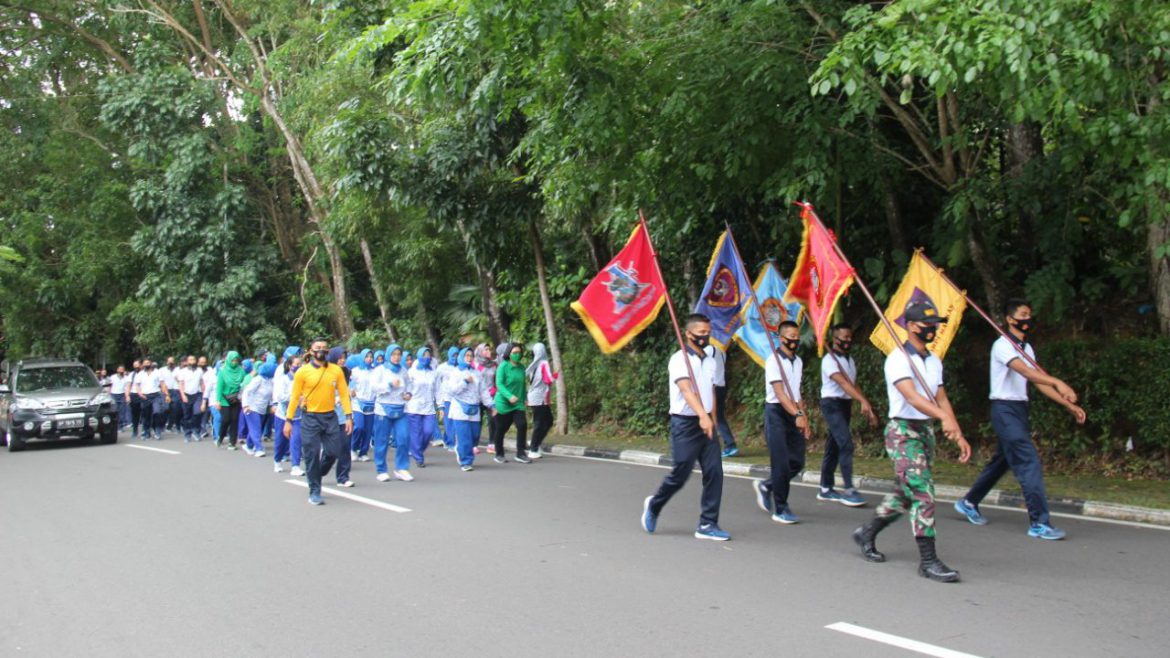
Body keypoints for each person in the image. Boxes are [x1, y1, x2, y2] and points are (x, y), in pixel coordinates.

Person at [851, 300, 972, 583]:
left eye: (935, 325)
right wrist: (944, 418)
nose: (933, 329)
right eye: (927, 325)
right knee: (922, 492)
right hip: (903, 432)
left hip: (924, 430)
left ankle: (866, 532)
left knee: (905, 494)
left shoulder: (933, 361)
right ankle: (928, 561)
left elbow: (940, 397)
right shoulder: (897, 360)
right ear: (912, 326)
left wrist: (956, 431)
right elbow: (912, 397)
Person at [954, 299, 1086, 540]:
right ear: (1010, 319)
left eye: (1030, 314)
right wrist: (1058, 381)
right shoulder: (1002, 346)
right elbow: (1024, 371)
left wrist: (1068, 404)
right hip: (1004, 410)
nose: (1028, 319)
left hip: (1020, 409)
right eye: (1023, 314)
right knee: (1029, 462)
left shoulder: (1027, 348)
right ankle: (1039, 522)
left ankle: (969, 501)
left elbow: (1036, 379)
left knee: (1002, 461)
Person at [641, 314, 729, 541]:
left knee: (714, 472)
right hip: (686, 423)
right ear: (688, 334)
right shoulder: (679, 359)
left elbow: (710, 391)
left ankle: (708, 524)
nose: (705, 336)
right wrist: (702, 415)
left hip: (707, 422)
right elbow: (686, 390)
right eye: (700, 333)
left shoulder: (710, 360)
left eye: (707, 332)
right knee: (681, 473)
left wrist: (713, 417)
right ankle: (654, 505)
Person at [751, 321, 809, 524]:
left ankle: (767, 485)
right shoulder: (773, 361)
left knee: (797, 462)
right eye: (790, 337)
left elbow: (796, 393)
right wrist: (797, 415)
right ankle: (781, 508)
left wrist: (804, 417)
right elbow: (780, 393)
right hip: (776, 413)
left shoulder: (798, 361)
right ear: (781, 338)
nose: (794, 340)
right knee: (781, 463)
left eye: (796, 336)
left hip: (794, 411)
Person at [284, 338, 353, 506]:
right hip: (310, 417)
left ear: (328, 351)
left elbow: (344, 394)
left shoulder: (336, 370)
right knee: (312, 453)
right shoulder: (302, 372)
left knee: (333, 452)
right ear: (311, 351)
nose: (321, 350)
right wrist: (288, 420)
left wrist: (349, 416)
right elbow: (294, 398)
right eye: (317, 348)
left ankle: (317, 473)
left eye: (324, 347)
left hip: (330, 416)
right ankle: (314, 490)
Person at [817, 324, 879, 507]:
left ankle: (825, 488)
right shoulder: (829, 360)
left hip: (844, 404)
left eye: (849, 337)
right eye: (844, 337)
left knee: (834, 446)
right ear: (835, 339)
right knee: (846, 444)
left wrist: (865, 403)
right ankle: (849, 489)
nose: (847, 341)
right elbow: (843, 383)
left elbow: (852, 384)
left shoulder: (849, 360)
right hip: (831, 404)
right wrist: (863, 401)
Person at [447, 347, 494, 471]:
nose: (469, 358)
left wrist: (490, 404)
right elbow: (451, 390)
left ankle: (462, 450)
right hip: (459, 408)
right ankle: (466, 461)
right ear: (461, 357)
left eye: (471, 356)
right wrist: (464, 382)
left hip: (474, 408)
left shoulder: (476, 372)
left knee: (474, 436)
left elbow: (483, 390)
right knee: (464, 437)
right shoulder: (456, 372)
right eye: (466, 356)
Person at [372, 344, 413, 482]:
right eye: (394, 354)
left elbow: (409, 386)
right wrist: (389, 385)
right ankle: (381, 469)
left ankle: (402, 468)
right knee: (382, 440)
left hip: (400, 408)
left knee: (404, 438)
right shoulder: (380, 370)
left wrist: (408, 394)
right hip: (383, 409)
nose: (396, 357)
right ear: (388, 355)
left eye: (398, 354)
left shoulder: (403, 371)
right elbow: (374, 388)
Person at [493, 342, 531, 464]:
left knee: (522, 425)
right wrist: (509, 396)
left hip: (518, 402)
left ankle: (520, 453)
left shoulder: (521, 367)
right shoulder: (503, 366)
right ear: (508, 354)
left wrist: (525, 398)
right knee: (501, 428)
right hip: (503, 402)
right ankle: (499, 453)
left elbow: (522, 384)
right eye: (514, 353)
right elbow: (499, 384)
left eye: (519, 353)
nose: (517, 355)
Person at [406, 347, 439, 468]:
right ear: (419, 356)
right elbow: (406, 389)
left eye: (428, 355)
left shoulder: (433, 372)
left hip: (429, 407)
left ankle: (417, 450)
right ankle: (419, 458)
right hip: (414, 406)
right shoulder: (412, 372)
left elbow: (438, 389)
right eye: (424, 355)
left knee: (428, 432)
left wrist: (440, 406)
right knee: (416, 433)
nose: (427, 357)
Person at [272, 347, 303, 475]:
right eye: (296, 365)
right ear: (290, 365)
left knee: (297, 439)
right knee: (281, 440)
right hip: (283, 415)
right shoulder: (283, 379)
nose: (299, 367)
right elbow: (280, 397)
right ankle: (277, 460)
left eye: (300, 365)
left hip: (298, 416)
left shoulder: (302, 379)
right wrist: (294, 398)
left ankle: (295, 466)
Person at [526, 342, 559, 458]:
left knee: (547, 421)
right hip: (540, 397)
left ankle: (536, 442)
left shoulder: (534, 364)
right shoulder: (544, 363)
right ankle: (533, 449)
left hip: (535, 396)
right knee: (540, 423)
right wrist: (556, 375)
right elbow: (548, 379)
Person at [707, 344, 739, 458]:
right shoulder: (722, 351)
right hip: (721, 385)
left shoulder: (709, 349)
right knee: (719, 417)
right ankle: (729, 444)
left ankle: (728, 444)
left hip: (712, 387)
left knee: (713, 417)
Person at [242, 361, 276, 458]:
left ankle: (248, 445)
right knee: (256, 428)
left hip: (262, 408)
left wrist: (271, 405)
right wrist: (245, 405)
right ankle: (259, 449)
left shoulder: (270, 381)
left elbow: (270, 395)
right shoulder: (257, 379)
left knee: (256, 428)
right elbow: (246, 392)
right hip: (251, 407)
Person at [349, 349, 376, 463]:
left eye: (371, 357)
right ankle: (353, 448)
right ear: (362, 358)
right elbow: (351, 384)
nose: (369, 359)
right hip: (358, 402)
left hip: (371, 402)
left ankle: (363, 452)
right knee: (359, 427)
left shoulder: (375, 371)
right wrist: (351, 390)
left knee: (368, 430)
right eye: (367, 357)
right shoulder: (355, 371)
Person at [216, 351, 246, 450]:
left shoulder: (241, 371)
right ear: (228, 360)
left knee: (234, 420)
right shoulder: (222, 371)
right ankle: (221, 436)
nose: (234, 362)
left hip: (237, 399)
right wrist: (218, 400)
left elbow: (244, 384)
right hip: (225, 399)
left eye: (236, 360)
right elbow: (219, 387)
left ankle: (232, 443)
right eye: (232, 360)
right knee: (226, 419)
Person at [134, 359, 170, 441]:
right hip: (145, 396)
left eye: (148, 363)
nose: (147, 364)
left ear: (151, 364)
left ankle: (157, 430)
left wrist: (167, 395)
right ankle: (147, 432)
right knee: (146, 416)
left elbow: (162, 384)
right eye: (145, 363)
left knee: (157, 412)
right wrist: (140, 394)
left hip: (156, 395)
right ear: (142, 365)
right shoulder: (140, 374)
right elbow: (137, 385)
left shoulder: (157, 372)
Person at [435, 346, 460, 450]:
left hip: (458, 398)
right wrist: (439, 402)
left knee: (455, 421)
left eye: (457, 355)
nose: (455, 357)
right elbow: (437, 384)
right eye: (453, 355)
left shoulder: (460, 367)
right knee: (448, 421)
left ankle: (446, 439)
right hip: (447, 398)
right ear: (449, 355)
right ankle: (451, 443)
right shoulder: (441, 368)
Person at [175, 355, 204, 442]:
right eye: (190, 360)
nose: (192, 361)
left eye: (194, 359)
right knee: (187, 416)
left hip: (197, 394)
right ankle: (187, 434)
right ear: (187, 362)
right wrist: (183, 395)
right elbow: (180, 384)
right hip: (186, 394)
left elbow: (201, 383)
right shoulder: (182, 371)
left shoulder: (199, 371)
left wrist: (204, 394)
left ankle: (196, 431)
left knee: (197, 412)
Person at [161, 356, 181, 433]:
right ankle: (162, 425)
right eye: (169, 362)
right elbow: (161, 382)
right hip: (166, 390)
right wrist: (165, 393)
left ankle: (170, 426)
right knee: (166, 408)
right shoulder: (162, 370)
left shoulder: (178, 370)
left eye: (172, 362)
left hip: (176, 391)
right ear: (167, 362)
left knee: (175, 409)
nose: (171, 363)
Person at [110, 365, 130, 430]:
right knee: (115, 410)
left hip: (122, 395)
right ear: (117, 370)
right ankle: (116, 425)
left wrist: (127, 396)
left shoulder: (126, 378)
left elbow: (127, 387)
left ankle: (121, 425)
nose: (121, 370)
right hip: (114, 394)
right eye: (120, 369)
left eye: (122, 369)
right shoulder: (112, 377)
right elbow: (110, 386)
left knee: (122, 411)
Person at [126, 359, 143, 439]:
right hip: (134, 395)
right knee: (135, 414)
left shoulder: (145, 374)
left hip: (144, 395)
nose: (136, 367)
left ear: (141, 365)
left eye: (137, 365)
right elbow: (128, 386)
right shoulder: (132, 375)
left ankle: (145, 430)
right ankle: (135, 430)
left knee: (145, 413)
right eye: (134, 366)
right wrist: (127, 396)